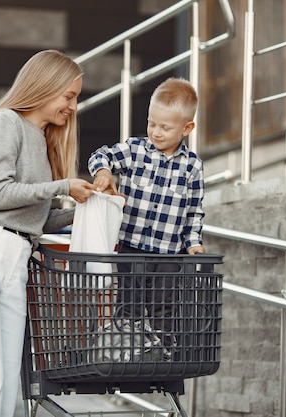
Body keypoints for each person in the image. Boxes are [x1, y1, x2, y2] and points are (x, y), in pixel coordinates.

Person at [0, 49, 96, 417]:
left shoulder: (42, 140)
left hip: (15, 259)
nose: (73, 107)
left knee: (8, 383)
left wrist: (89, 208)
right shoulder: (6, 122)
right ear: (44, 86)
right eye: (68, 96)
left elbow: (34, 220)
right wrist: (61, 187)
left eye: (76, 98)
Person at [88, 77, 206, 394]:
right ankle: (124, 355)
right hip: (131, 247)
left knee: (164, 307)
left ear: (187, 129)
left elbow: (194, 210)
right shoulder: (135, 150)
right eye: (151, 123)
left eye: (165, 127)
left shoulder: (193, 167)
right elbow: (102, 154)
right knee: (129, 303)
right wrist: (103, 171)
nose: (155, 132)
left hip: (170, 253)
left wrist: (193, 244)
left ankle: (161, 357)